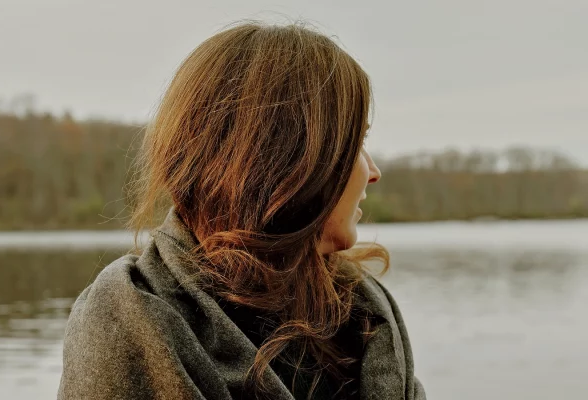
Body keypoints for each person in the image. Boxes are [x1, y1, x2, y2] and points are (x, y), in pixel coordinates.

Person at [57, 21, 426, 400]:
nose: (374, 172)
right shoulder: (127, 321)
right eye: (355, 144)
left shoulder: (366, 315)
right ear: (285, 158)